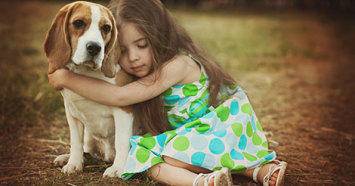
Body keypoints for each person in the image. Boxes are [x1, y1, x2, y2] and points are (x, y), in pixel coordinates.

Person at [48, 0, 287, 185]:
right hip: (190, 138)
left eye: (142, 45)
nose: (132, 58)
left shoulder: (177, 66)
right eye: (123, 50)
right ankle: (258, 170)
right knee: (148, 157)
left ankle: (202, 182)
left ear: (160, 37)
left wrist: (66, 78)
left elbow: (120, 98)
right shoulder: (144, 70)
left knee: (154, 158)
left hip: (214, 131)